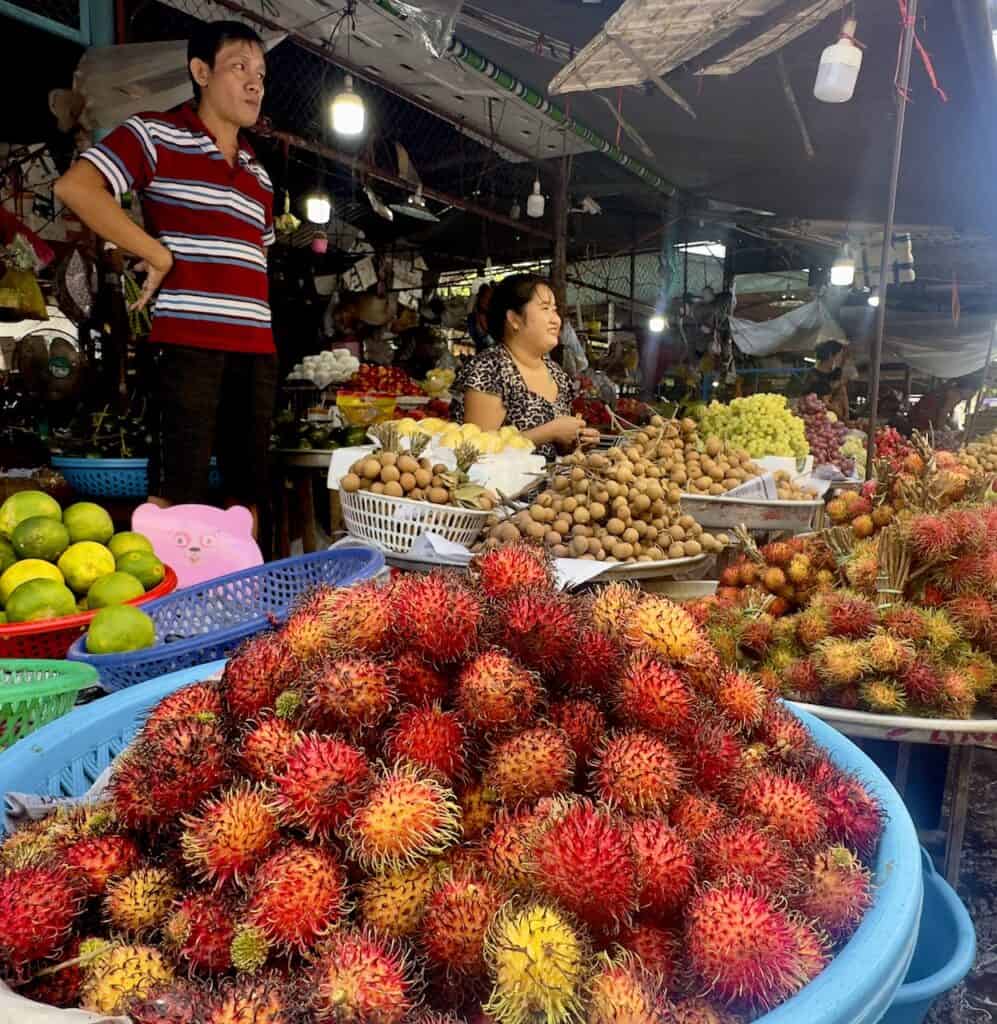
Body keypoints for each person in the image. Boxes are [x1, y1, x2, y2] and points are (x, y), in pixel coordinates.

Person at [54, 21, 276, 535]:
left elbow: (255, 258)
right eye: (239, 68)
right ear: (200, 72)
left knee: (249, 490)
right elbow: (77, 187)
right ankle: (174, 610)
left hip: (256, 348)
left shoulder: (259, 174)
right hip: (186, 345)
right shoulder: (155, 134)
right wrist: (155, 252)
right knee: (179, 485)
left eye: (261, 74)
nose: (254, 84)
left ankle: (248, 594)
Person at [452, 273, 599, 460]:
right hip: (501, 488)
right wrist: (550, 431)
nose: (556, 320)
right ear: (514, 319)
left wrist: (575, 441)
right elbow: (476, 453)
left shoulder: (557, 374)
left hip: (552, 488)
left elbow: (554, 451)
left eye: (555, 310)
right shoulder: (489, 369)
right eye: (545, 309)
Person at [910, 374, 981, 434]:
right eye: (972, 393)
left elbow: (943, 412)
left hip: (922, 415)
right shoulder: (956, 394)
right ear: (967, 389)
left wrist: (952, 426)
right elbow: (943, 412)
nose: (971, 397)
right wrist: (942, 430)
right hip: (922, 418)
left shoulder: (951, 390)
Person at [466, 283, 495, 352]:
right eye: (487, 297)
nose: (489, 300)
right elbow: (483, 330)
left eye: (490, 298)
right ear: (481, 298)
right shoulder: (475, 315)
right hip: (484, 346)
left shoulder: (489, 311)